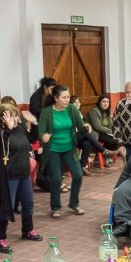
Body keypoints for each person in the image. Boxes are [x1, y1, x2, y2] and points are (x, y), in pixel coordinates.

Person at [0, 103, 43, 253]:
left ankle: (27, 230)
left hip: (24, 173)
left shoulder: (19, 128)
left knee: (28, 203)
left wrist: (34, 122)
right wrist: (8, 129)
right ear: (1, 117)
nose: (14, 118)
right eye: (10, 115)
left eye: (15, 114)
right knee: (6, 208)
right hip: (8, 175)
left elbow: (32, 137)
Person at [39, 85, 87, 217]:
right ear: (56, 98)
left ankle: (74, 204)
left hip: (69, 148)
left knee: (78, 175)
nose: (67, 100)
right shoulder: (47, 111)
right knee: (56, 179)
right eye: (64, 97)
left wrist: (87, 127)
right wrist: (44, 136)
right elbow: (41, 131)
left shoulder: (71, 109)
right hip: (53, 150)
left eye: (68, 97)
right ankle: (55, 207)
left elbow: (80, 126)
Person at [70, 95, 117, 175]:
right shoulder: (70, 113)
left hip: (80, 136)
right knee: (86, 132)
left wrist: (113, 131)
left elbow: (110, 124)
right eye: (75, 103)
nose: (77, 104)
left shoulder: (79, 113)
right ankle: (103, 150)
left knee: (87, 144)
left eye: (78, 102)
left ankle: (82, 167)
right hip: (72, 136)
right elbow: (96, 127)